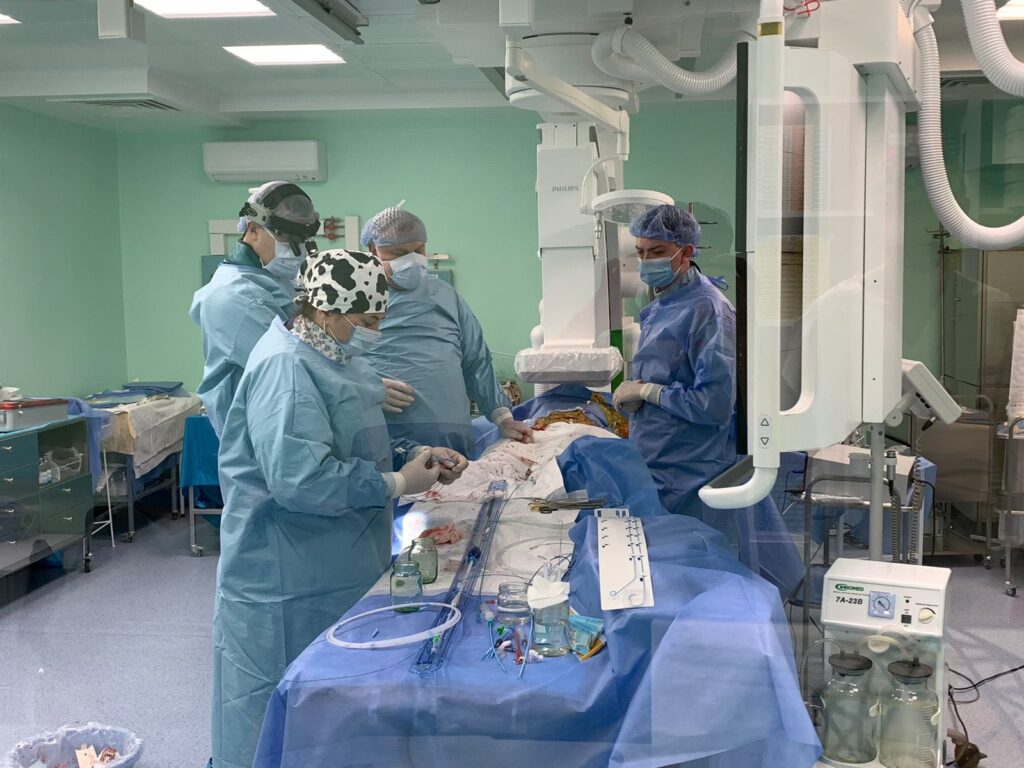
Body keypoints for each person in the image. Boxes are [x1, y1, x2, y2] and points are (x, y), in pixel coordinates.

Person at [211, 248, 468, 768]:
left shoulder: (334, 357)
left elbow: (353, 442)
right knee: (275, 710)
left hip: (337, 563)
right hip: (284, 575)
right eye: (368, 320)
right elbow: (300, 480)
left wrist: (413, 457)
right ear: (327, 311)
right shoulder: (286, 368)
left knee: (331, 709)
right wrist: (398, 482)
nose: (375, 330)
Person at [361, 207, 531, 456]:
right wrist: (364, 388)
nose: (412, 260)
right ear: (373, 251)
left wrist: (502, 417)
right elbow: (331, 363)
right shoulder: (357, 300)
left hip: (452, 435)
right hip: (387, 438)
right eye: (399, 253)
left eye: (419, 250)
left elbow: (476, 361)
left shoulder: (445, 295)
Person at [613, 204, 737, 523]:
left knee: (692, 548)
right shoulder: (665, 302)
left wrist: (648, 392)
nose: (646, 261)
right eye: (640, 252)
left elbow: (715, 404)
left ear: (687, 252)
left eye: (657, 252)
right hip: (657, 458)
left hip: (690, 470)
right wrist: (637, 396)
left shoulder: (708, 310)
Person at [189, 181, 320, 438]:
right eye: (287, 239)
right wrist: (355, 387)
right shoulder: (233, 296)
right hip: (256, 435)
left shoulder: (275, 282)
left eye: (302, 241)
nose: (298, 250)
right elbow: (291, 365)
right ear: (253, 229)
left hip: (285, 418)